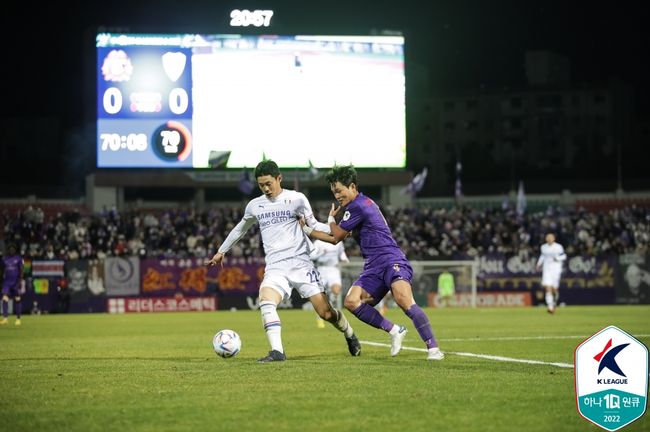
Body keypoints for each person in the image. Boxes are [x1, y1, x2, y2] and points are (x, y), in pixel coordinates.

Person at [205, 159, 361, 362]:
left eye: (269, 183)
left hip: (300, 263)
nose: (266, 188)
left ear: (279, 178)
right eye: (261, 185)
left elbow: (313, 225)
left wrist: (340, 229)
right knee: (266, 301)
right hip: (275, 266)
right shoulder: (255, 205)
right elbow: (240, 229)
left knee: (326, 313)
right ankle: (277, 352)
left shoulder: (296, 199)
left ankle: (349, 333)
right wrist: (221, 251)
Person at [301, 165, 444, 360]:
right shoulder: (356, 207)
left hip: (391, 259)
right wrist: (308, 230)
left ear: (352, 186)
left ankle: (434, 349)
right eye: (334, 192)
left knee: (404, 300)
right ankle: (395, 330)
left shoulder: (358, 206)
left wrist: (330, 220)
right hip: (373, 266)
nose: (337, 196)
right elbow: (334, 237)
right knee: (351, 302)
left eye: (339, 190)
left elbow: (336, 236)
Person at [310, 238, 349, 328]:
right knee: (321, 294)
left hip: (333, 269)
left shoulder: (338, 242)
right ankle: (320, 316)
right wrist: (322, 253)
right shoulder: (318, 242)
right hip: (321, 269)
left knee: (336, 291)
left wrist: (344, 259)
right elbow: (312, 256)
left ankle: (331, 310)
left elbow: (341, 253)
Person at [535, 233, 566, 314]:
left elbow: (564, 256)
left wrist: (557, 258)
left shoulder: (558, 247)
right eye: (548, 237)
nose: (549, 239)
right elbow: (542, 256)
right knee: (547, 287)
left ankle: (554, 303)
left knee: (554, 289)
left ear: (554, 239)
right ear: (546, 239)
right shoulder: (543, 247)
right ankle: (550, 306)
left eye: (551, 237)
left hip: (556, 270)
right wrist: (538, 264)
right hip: (547, 270)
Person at [1, 244, 24, 326]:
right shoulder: (4, 259)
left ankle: (18, 319)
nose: (11, 250)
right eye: (10, 249)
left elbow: (21, 271)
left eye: (13, 249)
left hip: (15, 283)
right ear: (8, 250)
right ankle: (5, 318)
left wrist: (20, 282)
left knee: (17, 299)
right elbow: (1, 271)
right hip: (6, 283)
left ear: (15, 250)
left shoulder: (18, 259)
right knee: (4, 298)